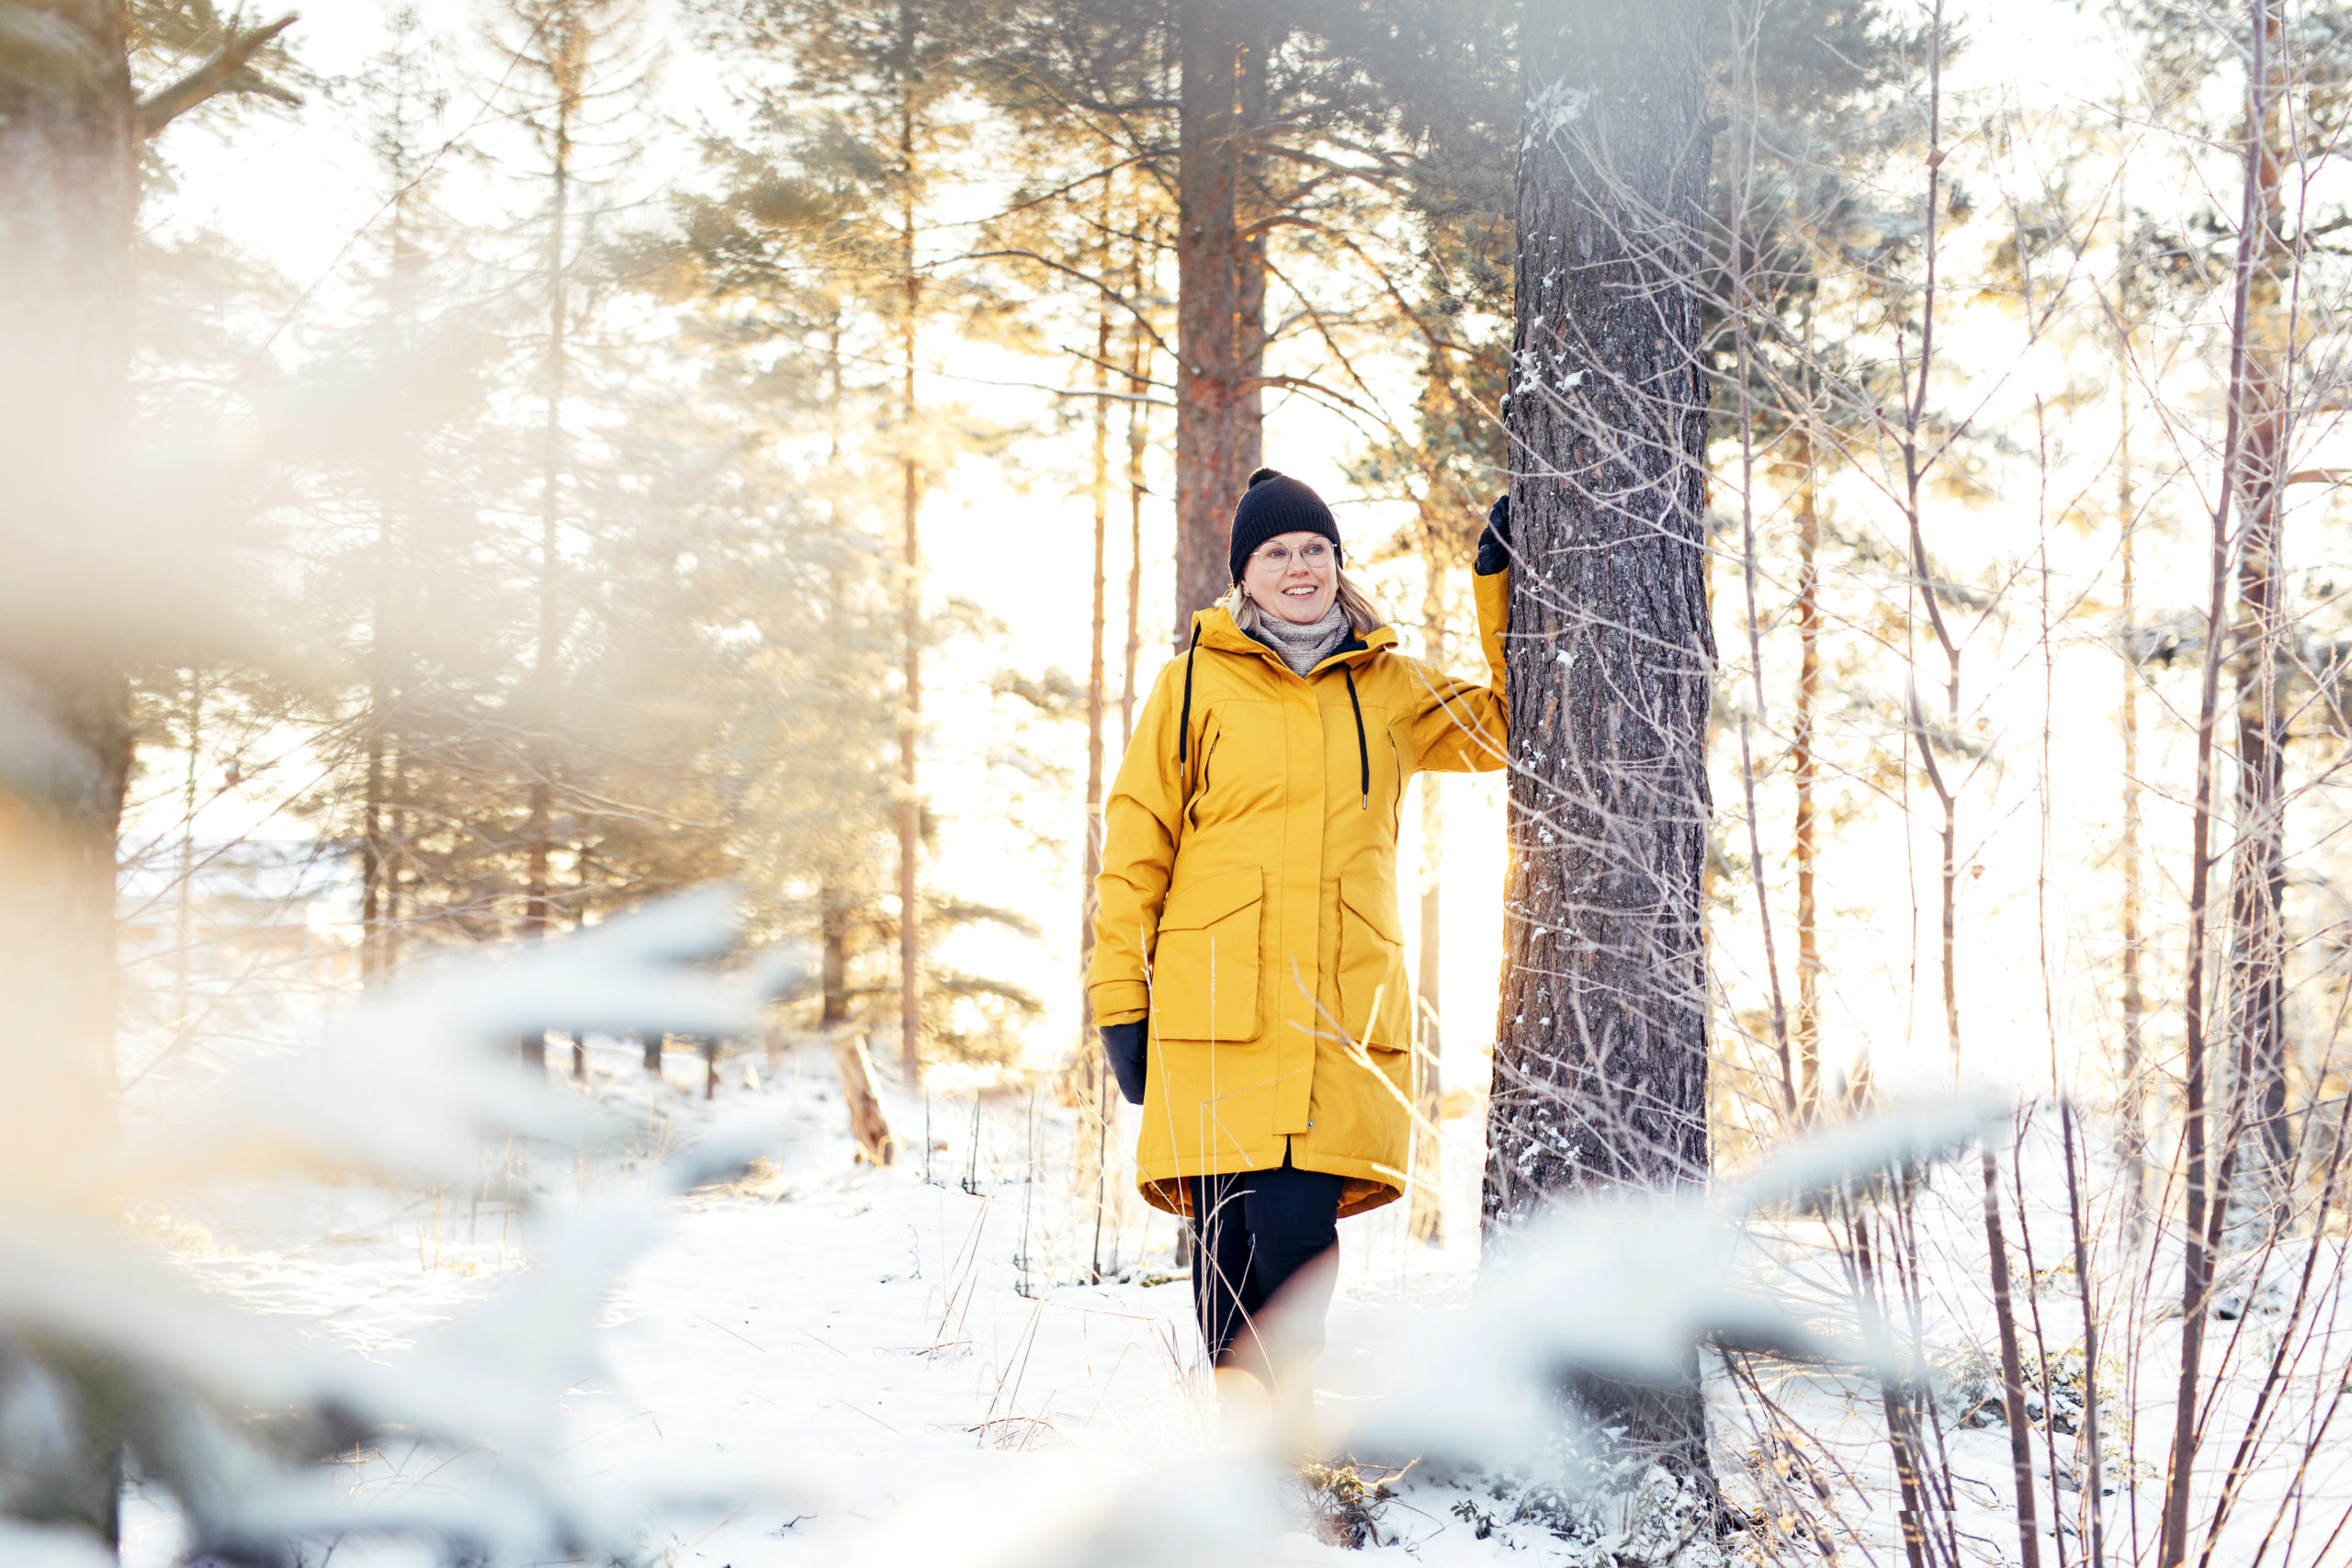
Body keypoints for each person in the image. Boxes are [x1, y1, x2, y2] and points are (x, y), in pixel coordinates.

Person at [1087, 467, 1511, 1422]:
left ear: (1336, 564)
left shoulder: (1391, 684)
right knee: (1227, 1242)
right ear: (1245, 575)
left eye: (1313, 549)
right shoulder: (1192, 682)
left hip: (1336, 1011)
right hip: (1212, 1009)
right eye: (1277, 552)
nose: (1299, 567)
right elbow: (1134, 845)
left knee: (1297, 1230)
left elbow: (1507, 726)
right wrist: (1120, 999)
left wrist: (1499, 587)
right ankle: (1247, 1449)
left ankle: (1294, 1424)